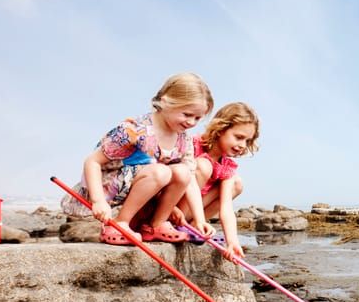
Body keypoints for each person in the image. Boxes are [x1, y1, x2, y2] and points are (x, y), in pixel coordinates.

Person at [62, 73, 217, 246]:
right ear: (166, 102)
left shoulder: (183, 139)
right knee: (161, 171)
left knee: (183, 171)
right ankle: (120, 224)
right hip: (110, 188)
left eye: (197, 118)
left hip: (146, 190)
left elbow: (189, 181)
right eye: (187, 114)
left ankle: (155, 225)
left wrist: (199, 220)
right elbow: (92, 161)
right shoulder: (135, 130)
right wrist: (98, 201)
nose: (191, 122)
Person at [192, 101, 260, 258]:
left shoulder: (227, 166)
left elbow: (226, 208)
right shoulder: (192, 145)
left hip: (195, 213)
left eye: (247, 141)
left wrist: (232, 241)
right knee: (204, 165)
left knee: (236, 183)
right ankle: (194, 222)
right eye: (239, 137)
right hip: (175, 208)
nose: (242, 145)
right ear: (220, 129)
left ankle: (194, 225)